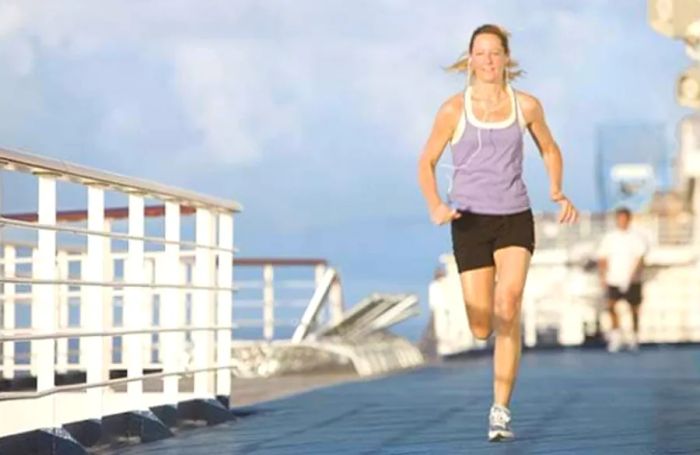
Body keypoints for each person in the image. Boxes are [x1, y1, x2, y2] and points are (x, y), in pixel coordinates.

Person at [417, 24, 578, 442]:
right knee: (481, 326)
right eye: (480, 53)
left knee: (509, 304)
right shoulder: (453, 109)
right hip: (468, 221)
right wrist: (435, 203)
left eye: (495, 53)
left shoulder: (526, 106)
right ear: (469, 59)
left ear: (507, 58)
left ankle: (500, 410)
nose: (488, 60)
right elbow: (426, 162)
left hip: (514, 216)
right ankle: (490, 328)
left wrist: (557, 188)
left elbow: (549, 148)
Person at [596, 207, 648, 352]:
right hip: (614, 278)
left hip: (632, 280)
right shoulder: (610, 238)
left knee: (634, 308)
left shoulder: (637, 238)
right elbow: (602, 258)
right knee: (611, 306)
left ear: (629, 219)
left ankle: (634, 337)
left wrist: (634, 275)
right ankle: (616, 336)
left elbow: (640, 258)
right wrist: (603, 276)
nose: (622, 221)